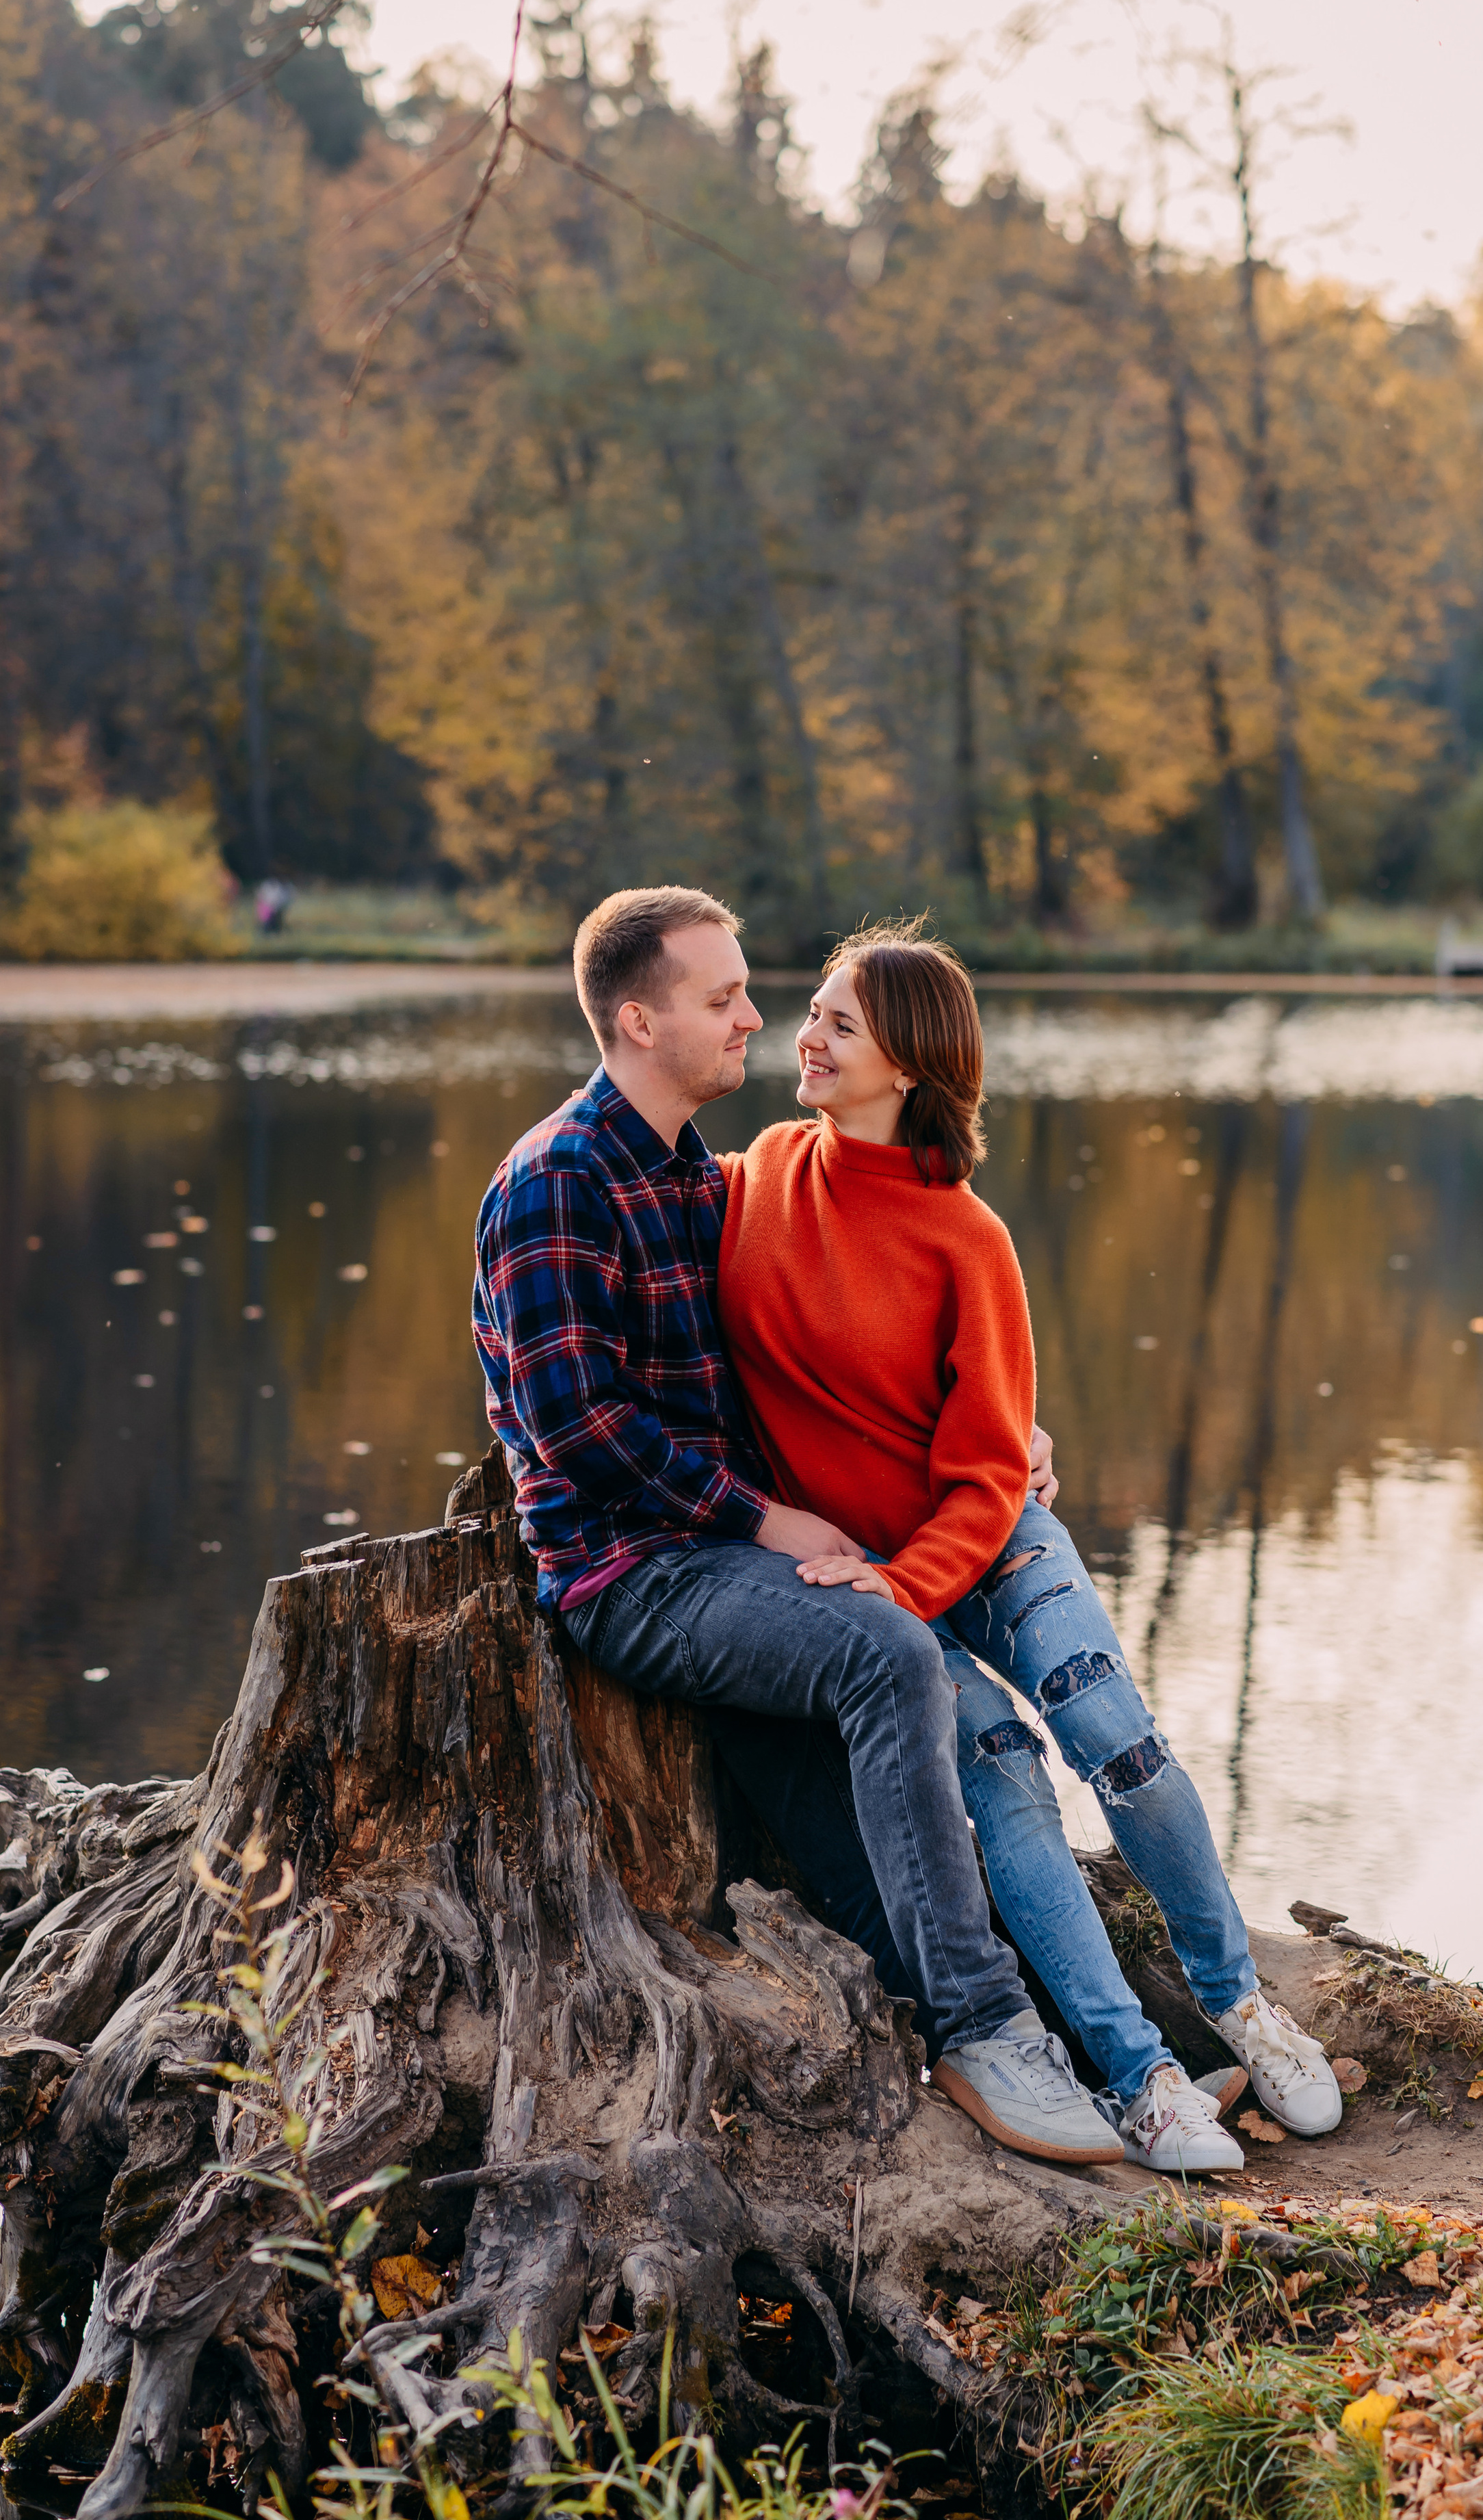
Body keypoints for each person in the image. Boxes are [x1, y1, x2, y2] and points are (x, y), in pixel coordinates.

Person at [473, 885, 1125, 2167]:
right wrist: (767, 1519)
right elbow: (579, 1432)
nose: (755, 1019)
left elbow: (842, 1302)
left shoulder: (694, 1177)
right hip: (638, 1573)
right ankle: (987, 2030)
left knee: (865, 1812)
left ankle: (1091, 2053)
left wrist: (992, 1420)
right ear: (636, 1017)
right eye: (723, 998)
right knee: (887, 1650)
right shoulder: (555, 1181)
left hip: (731, 1569)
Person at [711, 918, 1342, 2173]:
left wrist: (906, 1580)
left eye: (842, 1018)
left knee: (1118, 1740)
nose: (810, 1032)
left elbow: (995, 1465)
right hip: (862, 1582)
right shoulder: (752, 1178)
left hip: (986, 1540)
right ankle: (1141, 2074)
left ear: (910, 1060)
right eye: (815, 1011)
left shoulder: (969, 1235)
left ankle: (1238, 2000)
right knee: (1001, 1787)